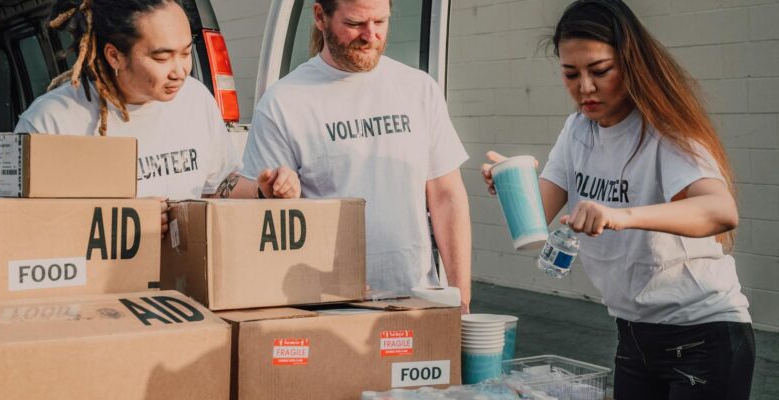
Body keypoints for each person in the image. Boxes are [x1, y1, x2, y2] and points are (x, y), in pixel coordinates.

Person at [481, 1, 753, 398]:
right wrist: (510, 183)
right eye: (570, 74)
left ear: (630, 63)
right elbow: (534, 224)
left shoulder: (664, 130)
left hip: (703, 335)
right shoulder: (577, 130)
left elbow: (720, 210)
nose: (585, 88)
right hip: (633, 335)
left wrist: (621, 216)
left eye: (600, 71)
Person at [241, 0, 472, 311]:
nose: (370, 35)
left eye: (381, 22)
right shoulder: (284, 102)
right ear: (320, 16)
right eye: (355, 24)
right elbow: (266, 224)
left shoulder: (418, 89)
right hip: (327, 307)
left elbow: (446, 196)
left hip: (418, 300)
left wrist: (461, 297)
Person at [14, 0, 300, 228]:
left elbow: (216, 186)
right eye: (162, 58)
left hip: (182, 286)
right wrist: (122, 222)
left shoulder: (196, 98)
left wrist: (263, 191)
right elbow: (18, 227)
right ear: (115, 55)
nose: (180, 71)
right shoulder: (51, 122)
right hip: (92, 293)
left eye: (186, 53)